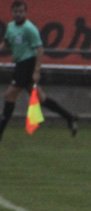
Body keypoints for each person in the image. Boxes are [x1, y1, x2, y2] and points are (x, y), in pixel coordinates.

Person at [0, 1, 77, 142]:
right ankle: (70, 117)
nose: (18, 14)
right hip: (20, 64)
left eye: (21, 12)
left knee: (9, 96)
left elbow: (40, 49)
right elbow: (7, 42)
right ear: (12, 13)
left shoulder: (29, 28)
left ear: (25, 13)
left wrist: (36, 70)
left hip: (26, 65)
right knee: (42, 99)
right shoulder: (11, 27)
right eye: (16, 12)